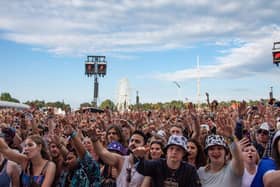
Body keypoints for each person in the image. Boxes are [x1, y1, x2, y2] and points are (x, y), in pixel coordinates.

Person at [135, 135, 201, 187]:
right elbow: (140, 168)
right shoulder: (156, 164)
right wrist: (140, 157)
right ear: (166, 151)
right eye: (171, 148)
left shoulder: (190, 170)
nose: (174, 152)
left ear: (183, 153)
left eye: (178, 149)